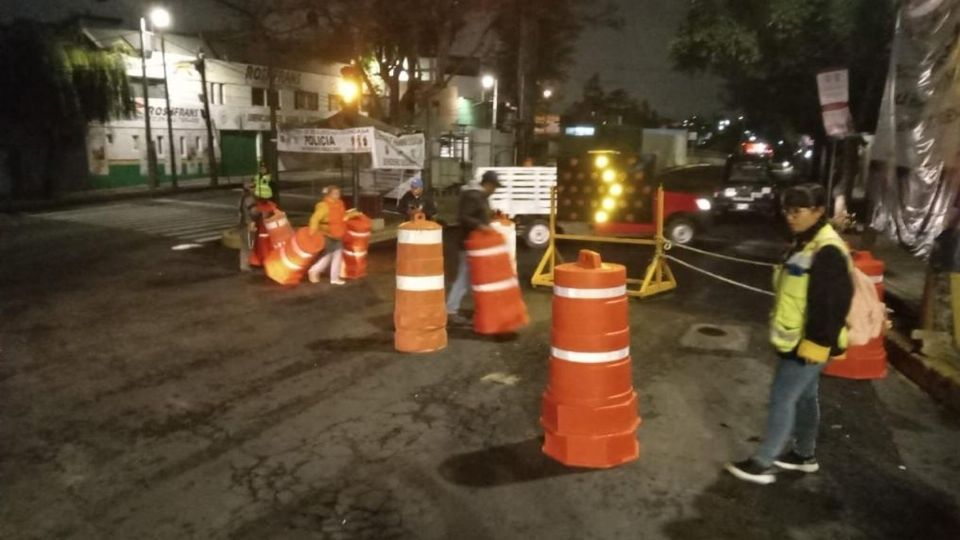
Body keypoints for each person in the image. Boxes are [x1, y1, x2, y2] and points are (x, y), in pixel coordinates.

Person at [725, 183, 853, 485]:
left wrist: (817, 344)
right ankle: (804, 455)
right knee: (806, 397)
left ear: (818, 211)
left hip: (809, 343)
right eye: (787, 211)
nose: (790, 217)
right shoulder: (804, 243)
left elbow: (831, 303)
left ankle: (763, 462)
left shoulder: (828, 250)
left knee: (783, 397)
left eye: (797, 211)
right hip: (798, 339)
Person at [446, 170, 501, 325]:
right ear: (488, 184)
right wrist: (481, 226)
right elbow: (463, 216)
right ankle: (451, 309)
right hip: (468, 243)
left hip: (477, 245)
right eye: (494, 186)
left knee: (472, 278)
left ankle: (477, 308)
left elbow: (479, 214)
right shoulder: (473, 196)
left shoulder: (480, 197)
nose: (495, 190)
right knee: (464, 277)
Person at [307, 186, 357, 286]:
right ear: (329, 194)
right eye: (335, 193)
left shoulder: (339, 204)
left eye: (338, 193)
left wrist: (350, 215)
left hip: (337, 233)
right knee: (330, 255)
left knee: (332, 255)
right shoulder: (324, 206)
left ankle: (327, 275)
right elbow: (315, 219)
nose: (338, 195)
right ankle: (317, 271)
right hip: (327, 234)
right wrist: (312, 231)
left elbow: (341, 216)